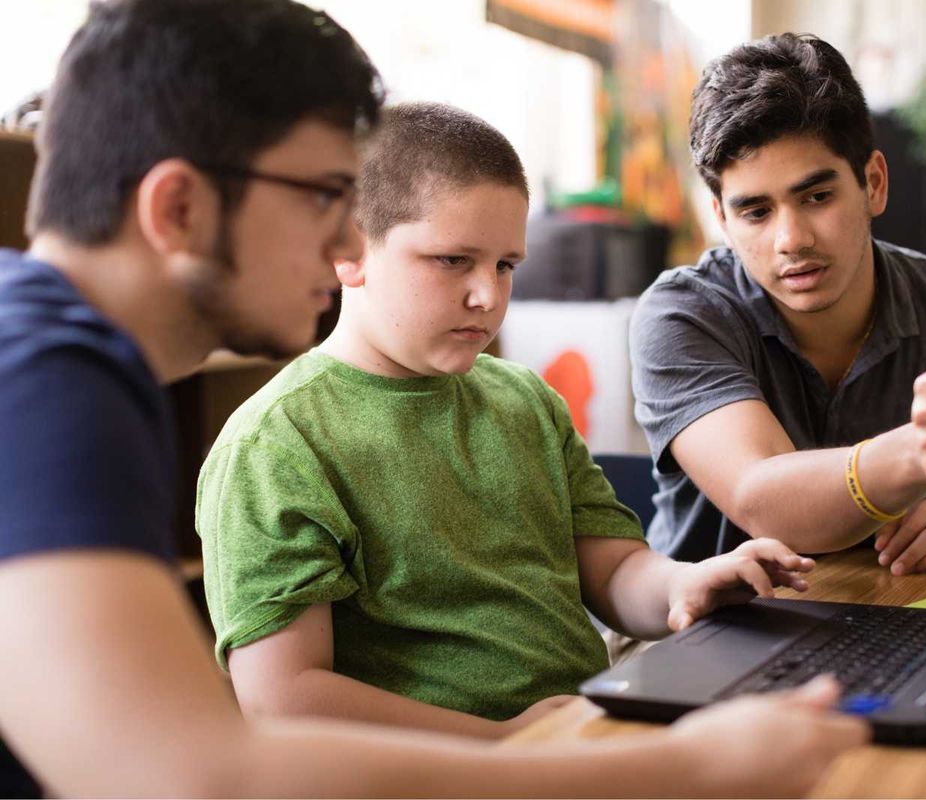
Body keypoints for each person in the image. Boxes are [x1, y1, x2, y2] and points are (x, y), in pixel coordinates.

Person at [0, 3, 869, 796]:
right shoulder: (42, 378)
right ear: (180, 207)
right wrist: (683, 767)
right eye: (324, 198)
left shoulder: (64, 367)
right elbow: (194, 774)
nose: (348, 240)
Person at [196, 100, 832, 738]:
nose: (489, 295)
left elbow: (613, 572)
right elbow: (284, 701)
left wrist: (683, 585)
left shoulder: (524, 399)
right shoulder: (276, 445)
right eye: (453, 261)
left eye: (506, 265)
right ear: (349, 251)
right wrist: (505, 742)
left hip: (582, 740)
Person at [629, 33, 926, 574]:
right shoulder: (682, 315)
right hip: (705, 634)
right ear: (722, 219)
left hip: (886, 616)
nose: (791, 239)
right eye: (756, 212)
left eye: (817, 197)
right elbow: (764, 501)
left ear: (872, 183)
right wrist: (918, 451)